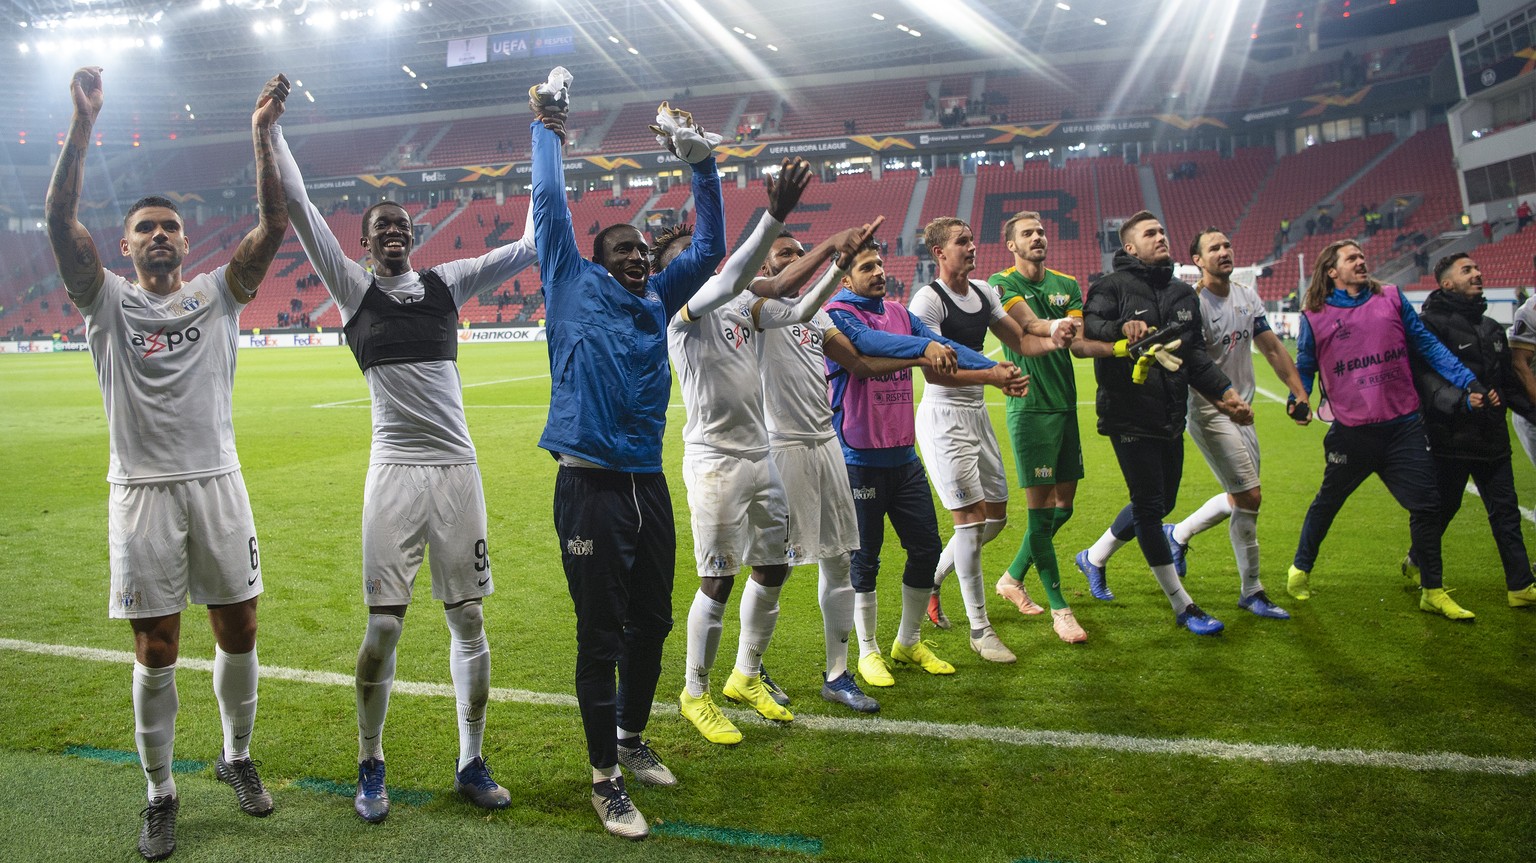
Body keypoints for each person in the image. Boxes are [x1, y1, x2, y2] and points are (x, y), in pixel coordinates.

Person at [46, 67, 290, 861]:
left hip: (218, 481)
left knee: (240, 626)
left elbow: (273, 228)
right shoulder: (107, 301)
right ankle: (160, 793)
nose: (157, 236)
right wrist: (83, 124)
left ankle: (237, 756)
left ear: (186, 241)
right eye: (144, 228)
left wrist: (260, 136)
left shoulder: (217, 294)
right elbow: (58, 221)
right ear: (125, 245)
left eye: (169, 228)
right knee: (155, 647)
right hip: (142, 491)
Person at [271, 119, 539, 823]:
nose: (392, 231)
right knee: (384, 628)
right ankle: (370, 759)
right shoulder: (354, 290)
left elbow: (530, 245)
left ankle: (470, 760)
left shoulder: (448, 283)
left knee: (470, 617)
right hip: (393, 473)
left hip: (457, 470)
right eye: (380, 225)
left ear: (412, 236)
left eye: (401, 224)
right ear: (363, 242)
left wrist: (546, 135)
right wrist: (271, 133)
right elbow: (300, 207)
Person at [530, 74, 726, 839]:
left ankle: (630, 736)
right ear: (595, 257)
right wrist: (550, 129)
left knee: (654, 619)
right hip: (589, 486)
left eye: (644, 249)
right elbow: (550, 206)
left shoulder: (656, 298)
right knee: (600, 632)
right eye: (624, 248)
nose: (640, 256)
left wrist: (702, 168)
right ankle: (603, 778)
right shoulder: (571, 283)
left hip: (646, 482)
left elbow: (707, 247)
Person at [747, 225, 935, 713]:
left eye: (800, 252)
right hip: (781, 449)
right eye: (785, 254)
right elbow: (786, 296)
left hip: (830, 446)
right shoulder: (756, 309)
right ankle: (750, 667)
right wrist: (833, 253)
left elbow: (863, 364)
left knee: (839, 563)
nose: (796, 258)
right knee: (775, 568)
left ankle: (837, 672)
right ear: (765, 268)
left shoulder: (815, 317)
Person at [664, 157, 820, 744]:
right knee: (718, 579)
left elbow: (797, 306)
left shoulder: (738, 309)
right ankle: (694, 691)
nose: (694, 259)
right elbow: (730, 276)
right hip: (714, 462)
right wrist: (776, 217)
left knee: (774, 565)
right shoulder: (681, 314)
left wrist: (833, 258)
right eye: (682, 254)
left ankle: (746, 675)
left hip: (760, 454)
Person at [825, 239, 1027, 687]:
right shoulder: (836, 314)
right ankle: (868, 651)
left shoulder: (898, 311)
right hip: (858, 456)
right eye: (866, 267)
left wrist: (993, 371)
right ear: (846, 278)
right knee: (866, 559)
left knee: (926, 548)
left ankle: (909, 640)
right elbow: (866, 348)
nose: (878, 272)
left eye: (880, 264)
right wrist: (922, 351)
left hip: (903, 453)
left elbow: (942, 343)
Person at [1075, 211, 1252, 636]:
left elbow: (1193, 357)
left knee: (1161, 503)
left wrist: (1225, 393)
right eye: (1150, 233)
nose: (1161, 238)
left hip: (1172, 415)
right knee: (1151, 507)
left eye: (1162, 232)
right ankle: (1183, 605)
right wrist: (1123, 327)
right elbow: (1091, 327)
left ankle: (1094, 557)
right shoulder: (1111, 286)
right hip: (1128, 412)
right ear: (1130, 247)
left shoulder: (1181, 294)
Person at [1287, 241, 1482, 619]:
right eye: (1351, 259)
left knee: (1427, 505)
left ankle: (1432, 589)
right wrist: (1299, 398)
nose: (1361, 262)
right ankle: (1301, 567)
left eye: (1362, 256)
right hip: (1352, 431)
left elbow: (1426, 345)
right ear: (1332, 271)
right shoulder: (1314, 314)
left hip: (1403, 426)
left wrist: (1467, 380)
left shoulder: (1391, 297)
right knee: (1328, 503)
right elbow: (1306, 365)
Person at [910, 217, 1069, 661]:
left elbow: (1020, 339)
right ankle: (981, 631)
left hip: (977, 414)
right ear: (939, 253)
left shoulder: (983, 292)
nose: (972, 246)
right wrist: (994, 377)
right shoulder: (928, 300)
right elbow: (935, 365)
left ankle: (932, 580)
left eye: (972, 238)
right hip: (945, 418)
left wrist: (1057, 337)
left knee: (995, 516)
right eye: (962, 241)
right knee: (971, 520)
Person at [1163, 229, 1310, 622]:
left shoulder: (1246, 295)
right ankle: (1253, 590)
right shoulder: (1191, 304)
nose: (1224, 252)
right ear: (1197, 259)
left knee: (1240, 497)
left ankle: (1177, 534)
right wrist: (1226, 405)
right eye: (1214, 248)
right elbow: (1192, 367)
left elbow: (1272, 346)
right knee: (1250, 497)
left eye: (1226, 245)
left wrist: (1298, 392)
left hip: (1243, 410)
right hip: (1213, 412)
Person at [990, 211, 1117, 644]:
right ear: (1012, 244)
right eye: (1027, 233)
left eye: (1041, 231)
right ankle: (1061, 610)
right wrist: (1055, 326)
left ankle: (1011, 578)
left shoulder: (1066, 285)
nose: (1038, 237)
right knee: (1041, 512)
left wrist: (1120, 347)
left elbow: (1078, 344)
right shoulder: (1001, 282)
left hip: (1064, 407)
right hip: (1030, 411)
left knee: (1064, 508)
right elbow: (1027, 325)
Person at [1404, 254, 1536, 609]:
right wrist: (1462, 401)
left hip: (1493, 439)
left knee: (1506, 511)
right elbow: (1427, 381)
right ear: (1446, 283)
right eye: (1467, 270)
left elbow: (1508, 384)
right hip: (1449, 438)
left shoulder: (1493, 328)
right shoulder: (1428, 326)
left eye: (1477, 268)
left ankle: (1520, 586)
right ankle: (1419, 562)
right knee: (1444, 508)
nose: (1478, 273)